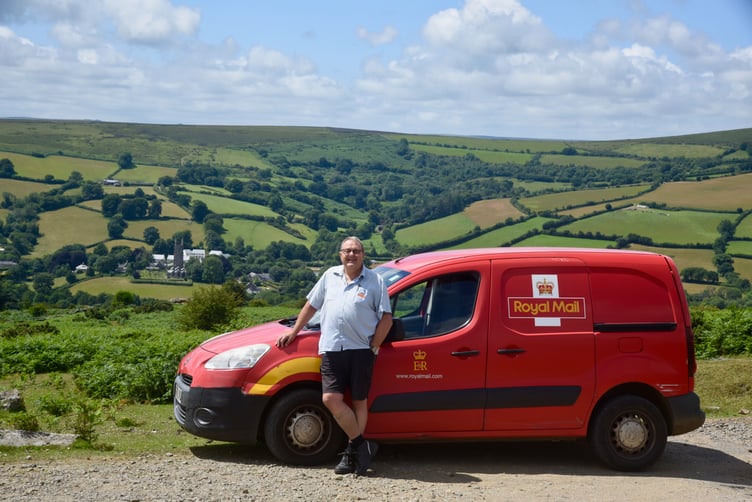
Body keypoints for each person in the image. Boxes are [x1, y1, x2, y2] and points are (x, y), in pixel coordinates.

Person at [276, 236, 393, 476]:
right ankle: (362, 445)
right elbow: (311, 306)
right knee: (330, 398)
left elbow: (386, 317)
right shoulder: (330, 276)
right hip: (331, 348)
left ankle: (352, 453)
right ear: (340, 254)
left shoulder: (375, 281)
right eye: (347, 251)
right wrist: (294, 331)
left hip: (361, 351)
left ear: (363, 254)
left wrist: (375, 345)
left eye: (356, 251)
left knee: (359, 401)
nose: (351, 255)